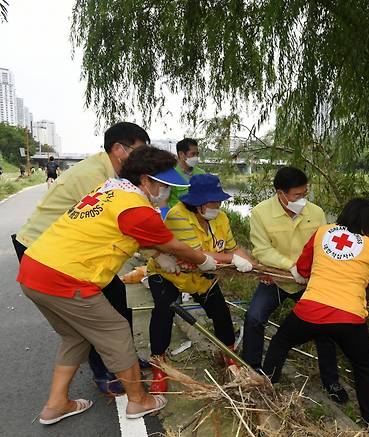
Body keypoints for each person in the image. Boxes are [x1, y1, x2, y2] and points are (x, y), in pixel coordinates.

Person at [16, 146, 220, 425]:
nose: (167, 193)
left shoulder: (110, 189)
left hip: (34, 268)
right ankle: (138, 400)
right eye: (163, 185)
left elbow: (135, 235)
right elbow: (171, 244)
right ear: (145, 180)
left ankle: (56, 404)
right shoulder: (136, 207)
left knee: (75, 337)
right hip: (65, 278)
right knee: (116, 332)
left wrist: (159, 254)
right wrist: (204, 260)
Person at [261, 198, 369, 431]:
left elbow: (302, 268)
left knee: (280, 342)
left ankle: (266, 388)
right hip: (349, 319)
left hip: (310, 311)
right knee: (365, 368)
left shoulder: (322, 232)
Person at [12, 122, 151, 395]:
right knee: (95, 316)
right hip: (41, 248)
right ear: (118, 149)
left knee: (115, 299)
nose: (143, 160)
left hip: (63, 250)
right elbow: (115, 223)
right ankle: (108, 374)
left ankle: (123, 363)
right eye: (139, 152)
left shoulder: (109, 171)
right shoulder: (98, 177)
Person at [242, 166, 346, 402]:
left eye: (305, 193)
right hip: (277, 279)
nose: (302, 200)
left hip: (308, 282)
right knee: (254, 318)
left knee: (325, 327)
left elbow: (323, 244)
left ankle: (331, 381)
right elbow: (262, 249)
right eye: (296, 195)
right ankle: (251, 371)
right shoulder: (261, 213)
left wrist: (310, 271)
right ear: (280, 193)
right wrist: (290, 267)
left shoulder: (316, 212)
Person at [147, 173, 256, 392]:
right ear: (197, 203)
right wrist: (233, 260)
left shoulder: (221, 218)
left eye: (219, 200)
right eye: (213, 201)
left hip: (203, 278)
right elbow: (195, 255)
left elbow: (232, 247)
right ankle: (159, 364)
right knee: (164, 311)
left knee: (221, 313)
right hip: (170, 274)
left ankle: (228, 354)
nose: (219, 204)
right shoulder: (178, 217)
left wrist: (250, 261)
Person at [167, 138, 205, 208]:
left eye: (197, 154)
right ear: (181, 154)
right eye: (193, 154)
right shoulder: (171, 175)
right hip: (177, 216)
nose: (196, 157)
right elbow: (164, 201)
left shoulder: (202, 174)